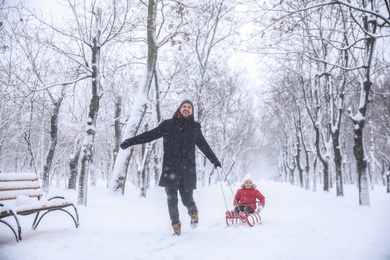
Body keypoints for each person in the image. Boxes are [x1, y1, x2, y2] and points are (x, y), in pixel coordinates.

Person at [120, 100, 221, 236]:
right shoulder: (168, 124)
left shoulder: (195, 127)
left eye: (189, 107)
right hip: (170, 169)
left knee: (187, 200)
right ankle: (176, 226)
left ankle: (193, 212)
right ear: (179, 109)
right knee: (171, 200)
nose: (186, 109)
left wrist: (215, 161)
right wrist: (130, 141)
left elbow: (204, 146)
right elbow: (150, 135)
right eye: (184, 106)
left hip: (187, 171)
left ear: (192, 112)